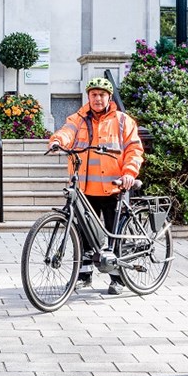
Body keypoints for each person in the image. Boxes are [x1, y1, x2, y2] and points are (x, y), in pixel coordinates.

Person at [48, 77, 144, 295]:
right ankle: (83, 276)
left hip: (113, 188)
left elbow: (134, 150)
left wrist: (129, 173)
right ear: (88, 97)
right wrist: (57, 141)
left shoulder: (122, 121)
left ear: (109, 97)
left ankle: (117, 279)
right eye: (94, 94)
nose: (98, 98)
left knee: (114, 235)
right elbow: (66, 132)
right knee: (83, 234)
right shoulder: (78, 118)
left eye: (102, 95)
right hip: (84, 189)